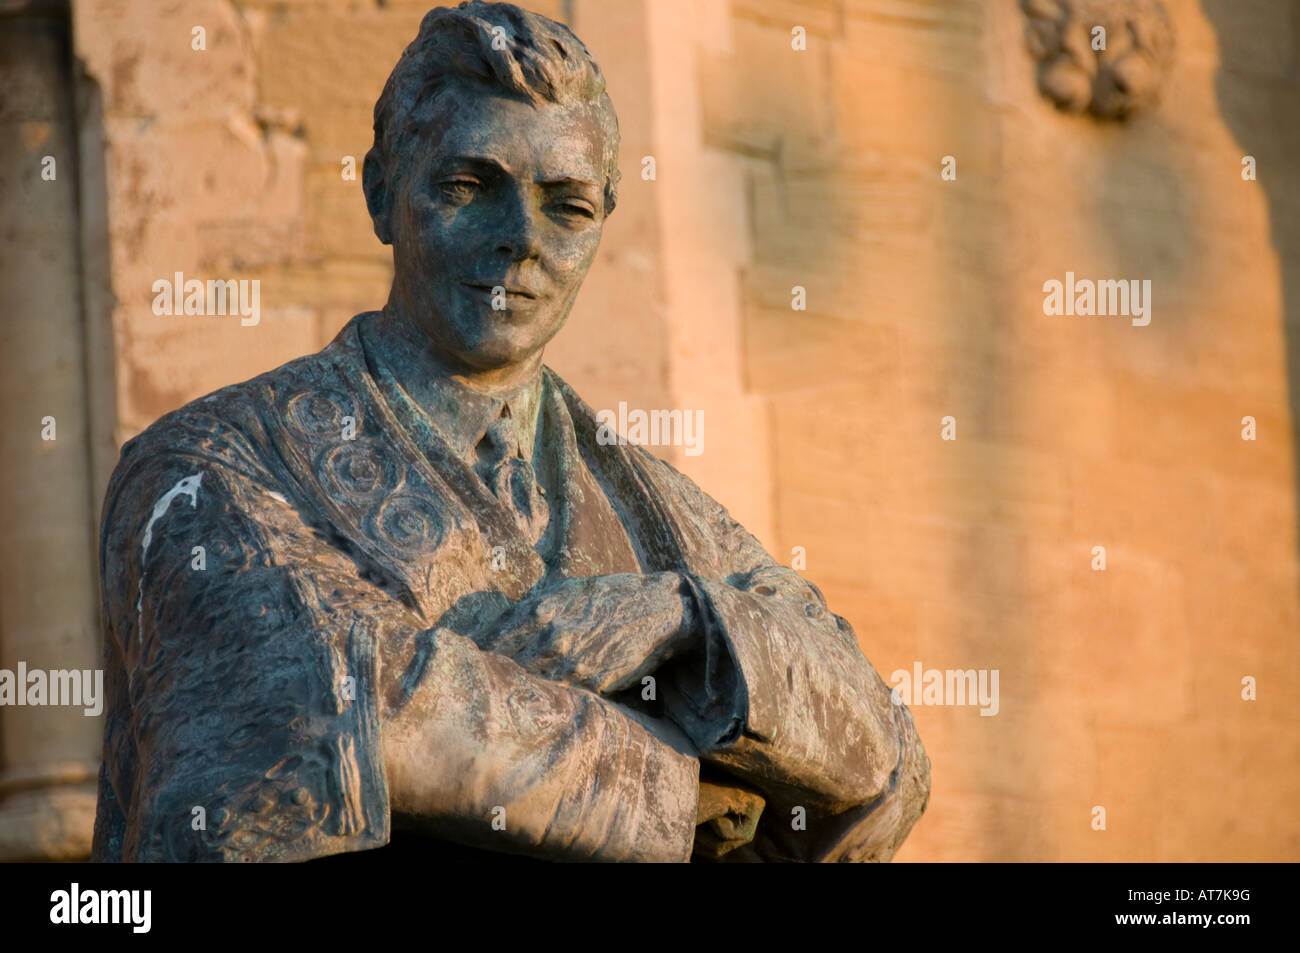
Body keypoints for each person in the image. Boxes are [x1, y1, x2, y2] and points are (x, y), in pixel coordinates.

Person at [91, 0, 930, 863]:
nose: (521, 240)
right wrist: (688, 789)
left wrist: (679, 615)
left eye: (566, 207)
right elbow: (318, 710)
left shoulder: (666, 520)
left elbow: (888, 752)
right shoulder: (210, 466)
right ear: (382, 192)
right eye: (468, 187)